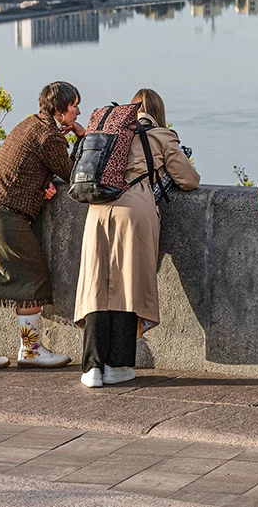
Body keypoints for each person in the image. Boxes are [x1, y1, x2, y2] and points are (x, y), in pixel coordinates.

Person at [75, 89, 199, 388]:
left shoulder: (112, 132)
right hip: (134, 211)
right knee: (127, 285)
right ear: (158, 109)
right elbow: (188, 179)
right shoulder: (160, 135)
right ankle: (118, 365)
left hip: (98, 211)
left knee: (97, 284)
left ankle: (92, 367)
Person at [0, 81, 84, 372]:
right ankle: (30, 351)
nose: (78, 111)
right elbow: (74, 174)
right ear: (59, 110)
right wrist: (82, 137)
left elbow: (27, 169)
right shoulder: (50, 135)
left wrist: (44, 183)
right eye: (74, 106)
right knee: (33, 276)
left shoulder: (28, 125)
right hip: (6, 215)